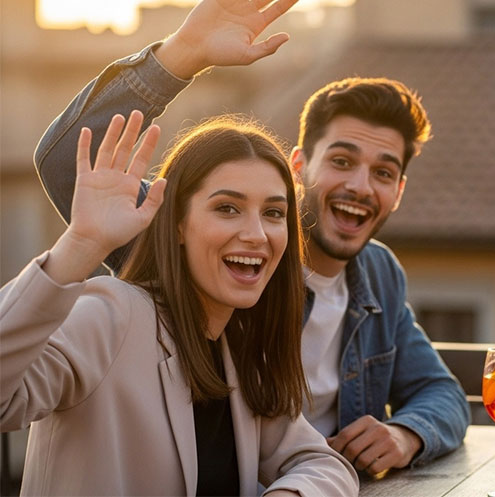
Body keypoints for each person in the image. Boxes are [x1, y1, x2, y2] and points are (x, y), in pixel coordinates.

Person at [33, 0, 470, 477]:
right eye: (343, 161)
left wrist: (404, 433)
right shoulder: (208, 255)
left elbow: (439, 392)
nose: (359, 186)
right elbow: (66, 161)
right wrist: (180, 56)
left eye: (383, 172)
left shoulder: (376, 274)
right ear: (300, 167)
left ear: (397, 192)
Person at [2, 112, 359, 496]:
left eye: (273, 213)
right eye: (227, 208)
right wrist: (80, 245)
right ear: (176, 223)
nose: (256, 234)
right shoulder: (110, 313)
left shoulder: (237, 348)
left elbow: (320, 463)